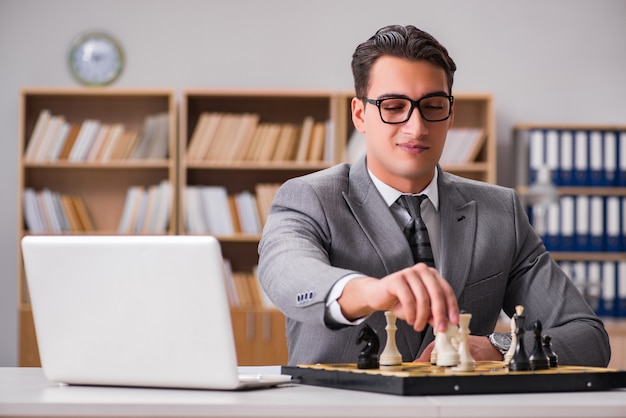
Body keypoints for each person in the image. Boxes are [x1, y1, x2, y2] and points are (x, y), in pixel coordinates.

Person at [257, 24, 610, 367]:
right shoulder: (310, 198)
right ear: (360, 114)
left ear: (450, 114)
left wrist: (498, 346)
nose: (417, 127)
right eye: (394, 106)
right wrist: (366, 292)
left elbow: (587, 338)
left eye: (433, 105)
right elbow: (287, 275)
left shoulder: (500, 212)